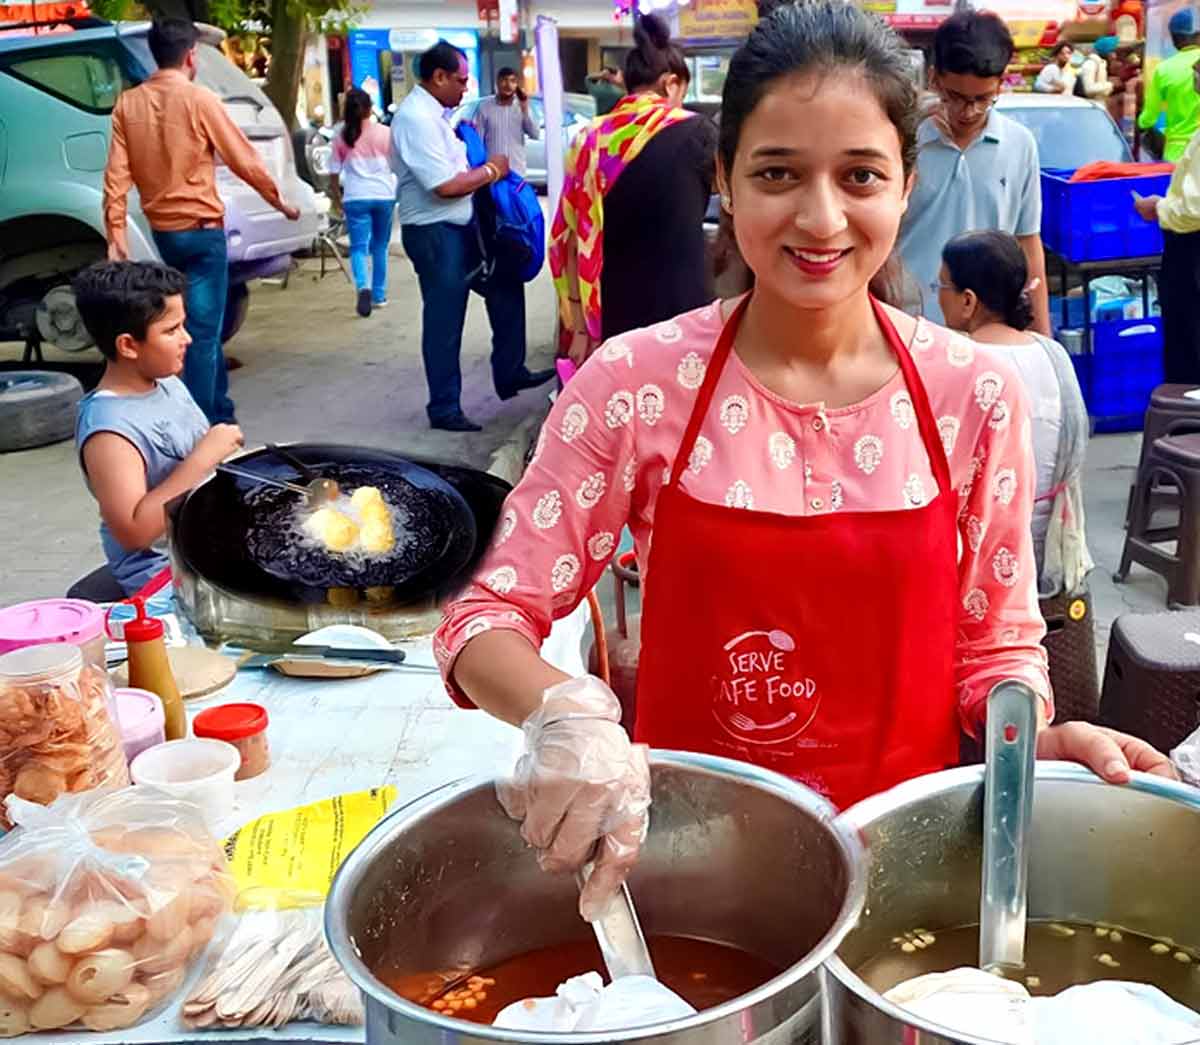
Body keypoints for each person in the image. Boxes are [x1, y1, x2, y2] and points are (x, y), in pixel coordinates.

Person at [435, 2, 1173, 921]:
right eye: (778, 172)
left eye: (860, 175)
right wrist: (562, 713)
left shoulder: (972, 395)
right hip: (689, 871)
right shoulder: (635, 384)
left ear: (906, 183)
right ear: (726, 179)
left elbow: (995, 644)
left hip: (909, 876)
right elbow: (484, 613)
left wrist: (1033, 735)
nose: (820, 218)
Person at [103, 18, 299, 424]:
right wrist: (281, 203)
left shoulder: (128, 104)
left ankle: (222, 409)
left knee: (187, 327)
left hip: (165, 235)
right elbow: (244, 160)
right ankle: (202, 424)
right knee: (201, 336)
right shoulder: (200, 99)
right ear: (191, 56)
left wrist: (116, 231)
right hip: (203, 232)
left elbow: (116, 176)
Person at [391, 40, 553, 432]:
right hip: (434, 231)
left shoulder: (441, 114)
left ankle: (510, 370)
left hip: (462, 227)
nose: (466, 88)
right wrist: (493, 171)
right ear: (439, 77)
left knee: (506, 284)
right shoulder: (416, 118)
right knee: (446, 319)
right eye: (461, 80)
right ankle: (444, 408)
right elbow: (444, 185)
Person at [551, 14, 717, 361]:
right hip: (683, 310)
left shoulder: (589, 140)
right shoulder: (699, 133)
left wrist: (580, 328)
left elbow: (569, 239)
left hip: (613, 313)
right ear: (671, 84)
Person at [73, 262, 244, 595]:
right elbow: (134, 532)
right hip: (164, 578)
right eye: (172, 330)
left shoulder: (166, 383)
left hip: (203, 544)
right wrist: (203, 459)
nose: (187, 338)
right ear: (128, 346)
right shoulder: (109, 431)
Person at [938, 231, 1092, 597]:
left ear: (968, 301)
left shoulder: (955, 361)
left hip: (976, 560)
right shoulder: (1053, 355)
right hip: (1047, 548)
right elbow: (1075, 449)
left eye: (941, 285)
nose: (937, 294)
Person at [898, 10, 1051, 335]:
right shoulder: (902, 141)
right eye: (955, 97)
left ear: (1000, 82)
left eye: (982, 99)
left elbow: (1027, 242)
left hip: (989, 337)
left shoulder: (1018, 144)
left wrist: (1042, 338)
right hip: (910, 329)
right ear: (934, 78)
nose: (968, 112)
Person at [1134, 58, 1200, 384]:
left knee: (1189, 351)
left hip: (1191, 251)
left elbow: (1193, 210)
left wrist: (1159, 207)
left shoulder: (1164, 70)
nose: (1194, 76)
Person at [328, 87, 398, 319]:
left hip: (355, 196)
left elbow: (333, 171)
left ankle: (362, 287)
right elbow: (396, 165)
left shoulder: (340, 134)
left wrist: (336, 199)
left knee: (358, 248)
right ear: (369, 109)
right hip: (384, 195)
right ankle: (379, 295)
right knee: (380, 246)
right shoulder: (385, 132)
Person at [1138, 7, 1200, 162]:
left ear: (1173, 38)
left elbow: (1148, 119)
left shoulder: (1164, 69)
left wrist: (1141, 122)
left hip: (1176, 155)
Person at [474, 67, 538, 178]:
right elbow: (478, 141)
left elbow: (535, 134)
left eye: (512, 81)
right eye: (504, 80)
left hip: (517, 172)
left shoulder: (521, 107)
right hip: (493, 172)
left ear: (517, 84)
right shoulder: (485, 108)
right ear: (497, 82)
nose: (508, 85)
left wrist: (525, 109)